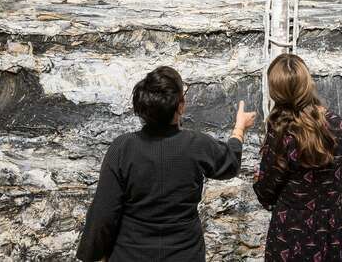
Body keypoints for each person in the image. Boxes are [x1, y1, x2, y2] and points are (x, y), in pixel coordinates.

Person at [76, 66, 256, 262]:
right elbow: (230, 163)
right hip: (185, 254)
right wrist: (239, 127)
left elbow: (103, 212)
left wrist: (91, 256)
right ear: (180, 106)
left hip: (131, 254)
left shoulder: (122, 148)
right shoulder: (196, 145)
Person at [253, 54, 342, 262]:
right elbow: (339, 180)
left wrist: (258, 179)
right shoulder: (338, 125)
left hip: (290, 237)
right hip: (329, 234)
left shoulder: (282, 131)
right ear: (308, 83)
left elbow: (266, 193)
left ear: (276, 92)